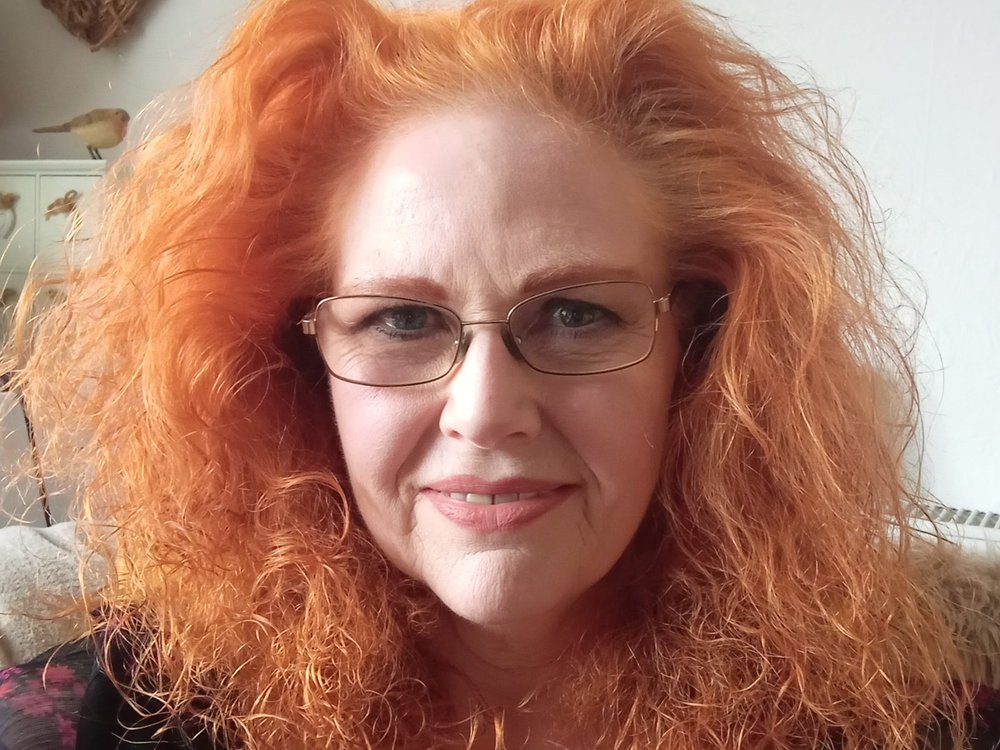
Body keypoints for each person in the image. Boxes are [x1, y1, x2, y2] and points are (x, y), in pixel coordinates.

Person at [1, 0, 998, 748]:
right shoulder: (106, 718)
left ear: (702, 350)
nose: (484, 410)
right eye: (399, 318)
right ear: (296, 361)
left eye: (574, 314)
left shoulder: (893, 716)